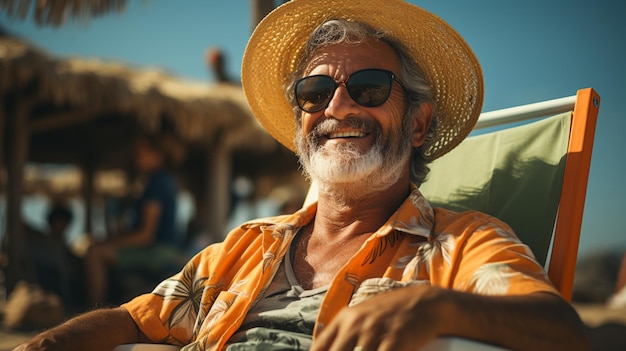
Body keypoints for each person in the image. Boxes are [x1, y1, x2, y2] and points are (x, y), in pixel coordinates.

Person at [13, 0, 589, 350]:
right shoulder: (245, 246)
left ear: (418, 125)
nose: (337, 108)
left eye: (368, 88)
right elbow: (134, 320)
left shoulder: (462, 244)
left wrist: (441, 309)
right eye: (315, 92)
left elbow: (562, 333)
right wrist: (50, 342)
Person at [83, 132, 185, 306]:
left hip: (158, 252)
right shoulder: (165, 180)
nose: (136, 157)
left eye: (141, 152)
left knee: (95, 253)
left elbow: (145, 235)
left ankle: (94, 309)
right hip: (167, 250)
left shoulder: (156, 183)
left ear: (158, 155)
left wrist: (110, 240)